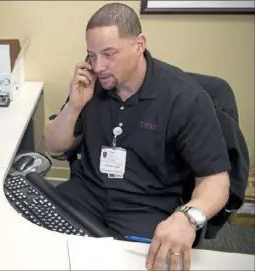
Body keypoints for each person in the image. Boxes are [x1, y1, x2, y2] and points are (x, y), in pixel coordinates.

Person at [43, 3, 231, 271]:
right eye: (91, 55)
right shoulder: (91, 84)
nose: (99, 66)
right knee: (37, 246)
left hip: (146, 209)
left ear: (139, 44)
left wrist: (187, 218)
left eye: (109, 54)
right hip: (86, 195)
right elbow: (53, 146)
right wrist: (74, 106)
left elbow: (216, 181)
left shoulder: (185, 98)